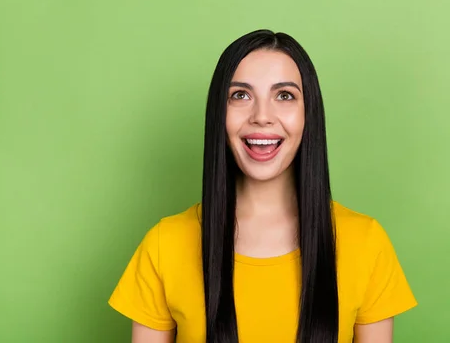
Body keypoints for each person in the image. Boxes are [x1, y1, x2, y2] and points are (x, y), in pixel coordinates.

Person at [108, 30, 417, 343]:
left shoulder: (366, 242)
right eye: (240, 95)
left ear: (308, 114)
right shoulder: (164, 244)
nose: (262, 117)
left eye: (284, 96)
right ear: (219, 113)